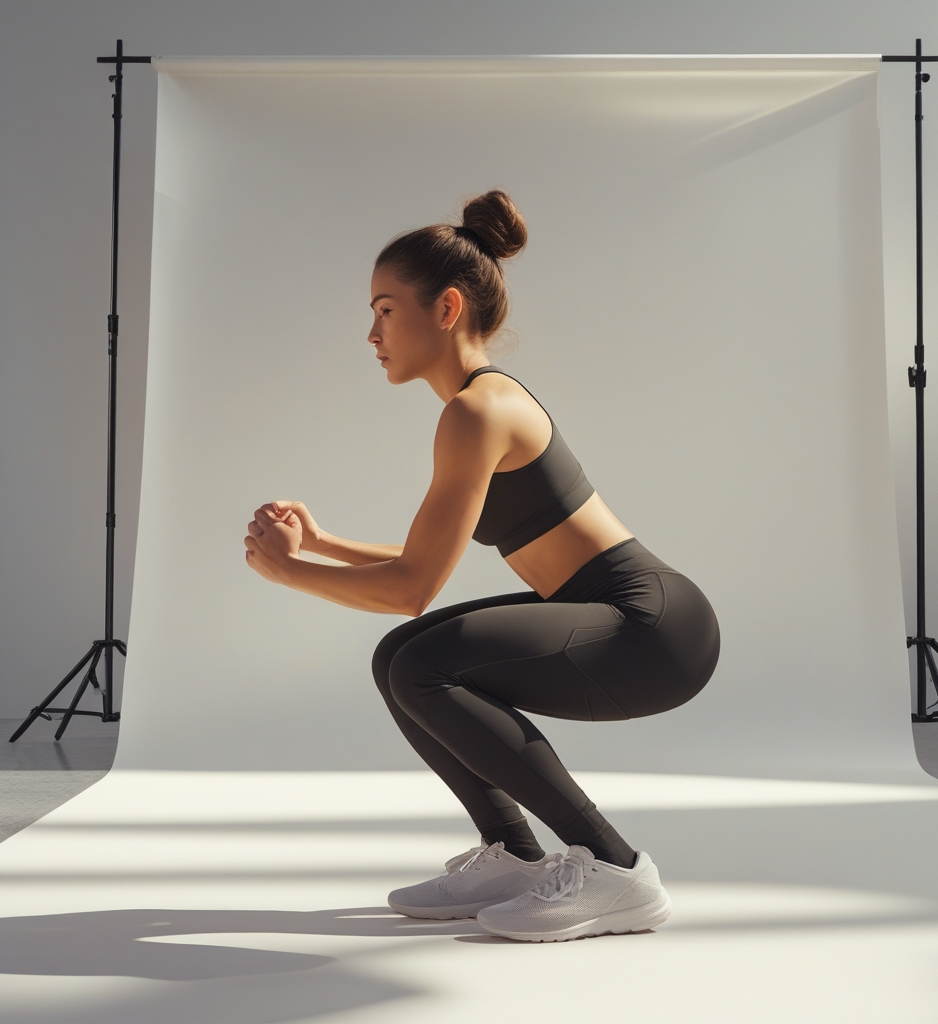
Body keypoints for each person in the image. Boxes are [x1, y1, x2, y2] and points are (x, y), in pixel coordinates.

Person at [244, 189, 720, 942]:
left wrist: (289, 573)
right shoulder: (473, 406)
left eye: (385, 309)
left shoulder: (477, 410)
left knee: (421, 662)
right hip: (621, 615)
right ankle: (513, 856)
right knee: (400, 657)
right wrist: (322, 542)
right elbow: (418, 562)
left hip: (651, 627)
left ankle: (617, 868)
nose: (372, 333)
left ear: (447, 308)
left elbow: (410, 589)